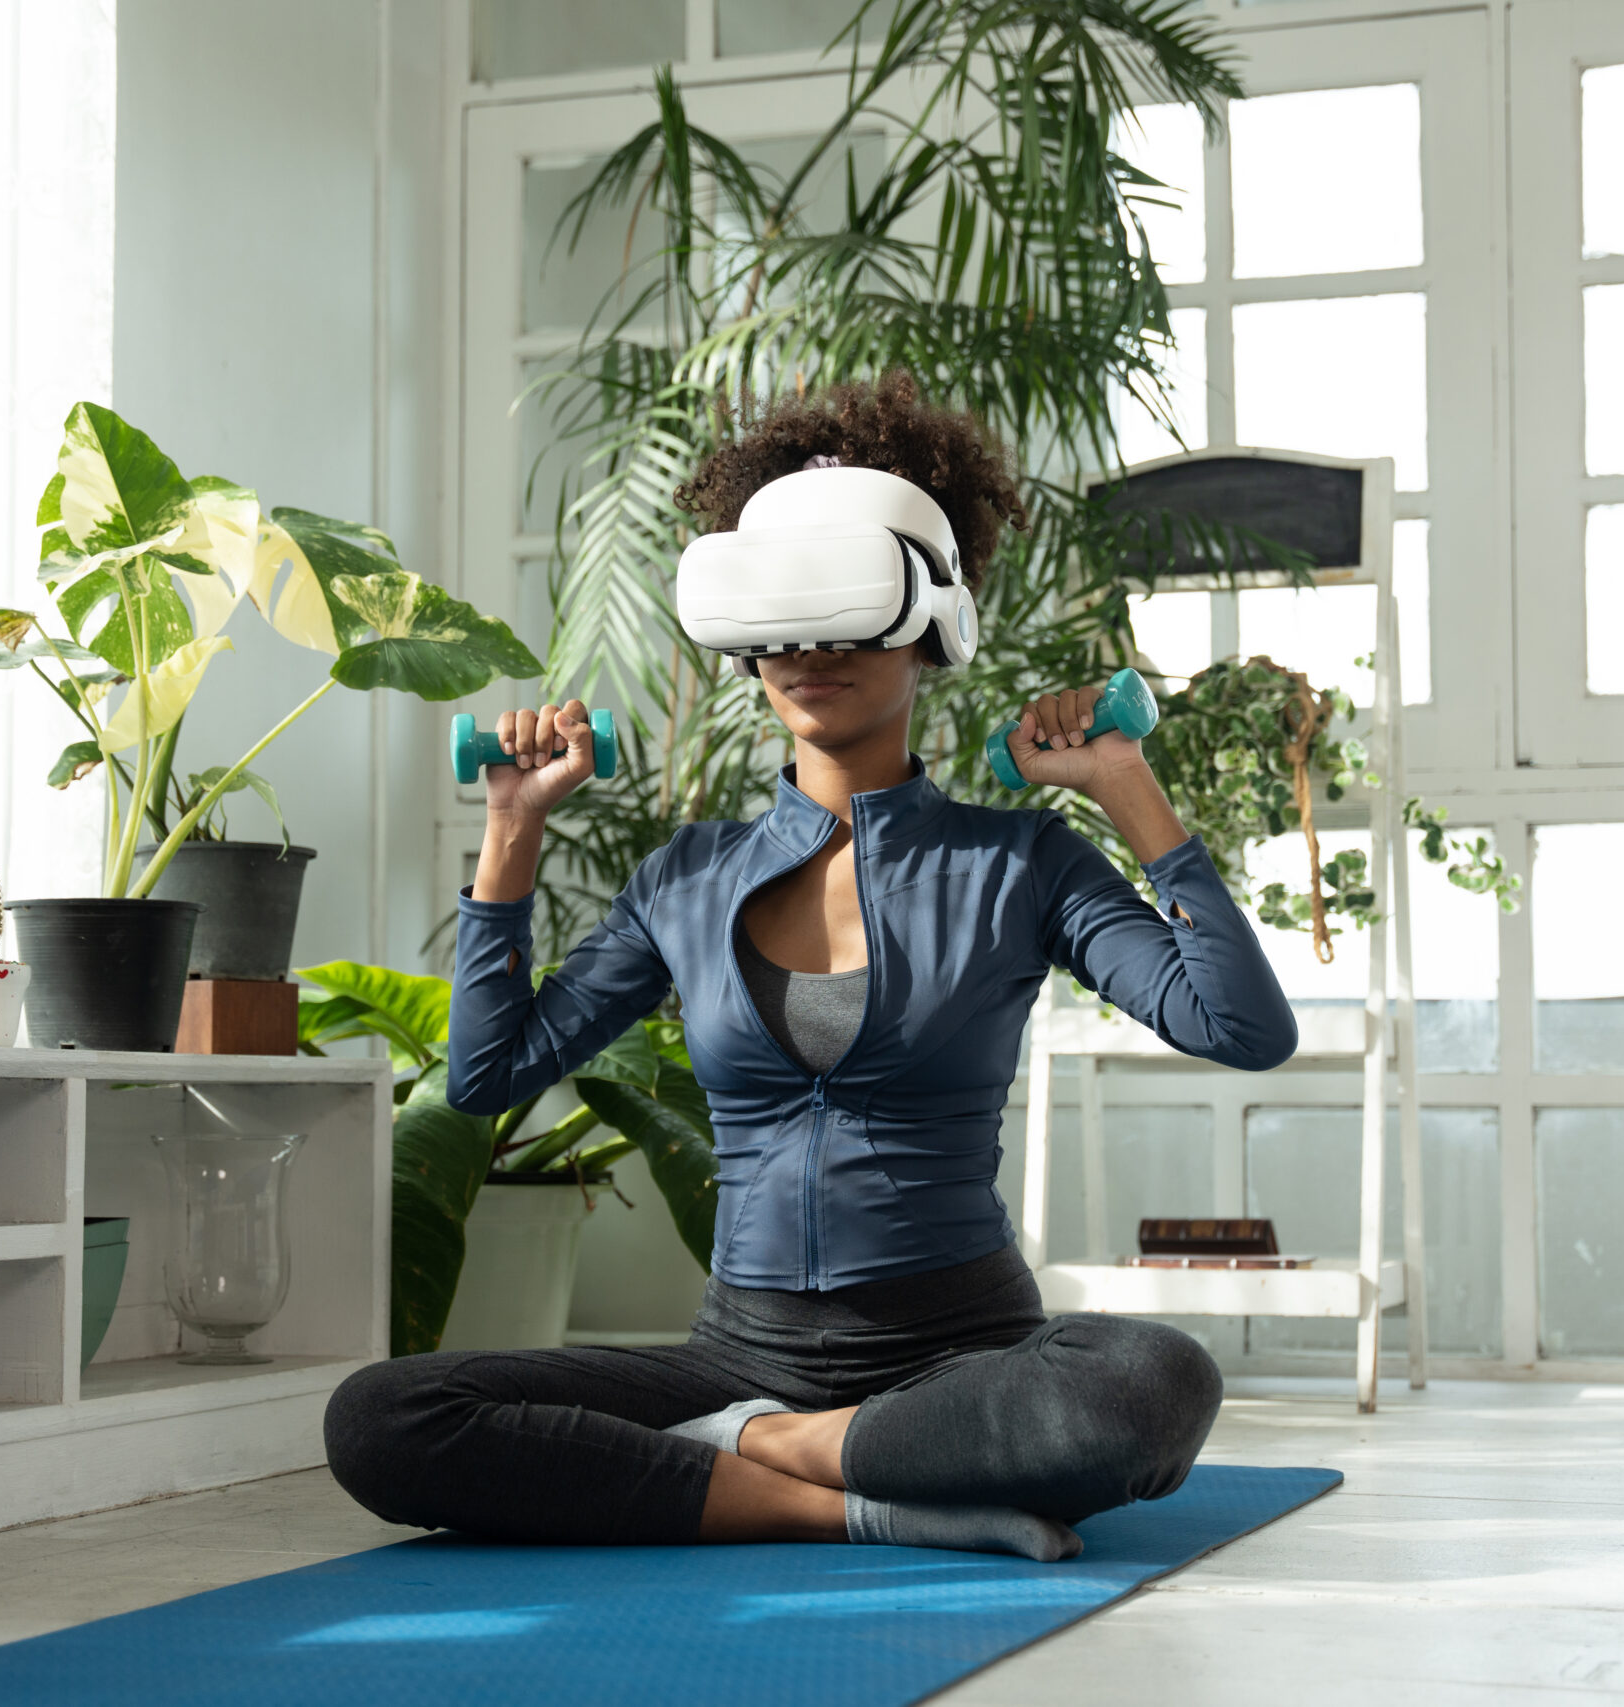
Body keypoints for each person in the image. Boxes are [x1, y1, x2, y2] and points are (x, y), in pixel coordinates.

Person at [324, 372, 1298, 1562]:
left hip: (964, 1351)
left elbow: (1240, 1028)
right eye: (778, 624)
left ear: (929, 623)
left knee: (1151, 1383)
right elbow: (484, 1077)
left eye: (843, 617)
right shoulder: (684, 878)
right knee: (382, 1419)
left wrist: (1126, 790)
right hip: (740, 1351)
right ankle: (852, 1493)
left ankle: (766, 1448)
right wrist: (512, 830)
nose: (805, 653)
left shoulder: (1021, 863)